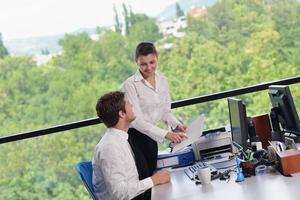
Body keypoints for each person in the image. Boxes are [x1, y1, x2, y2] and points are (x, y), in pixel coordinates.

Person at [121, 42, 187, 175]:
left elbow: (165, 111)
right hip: (135, 138)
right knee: (143, 176)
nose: (149, 68)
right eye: (143, 64)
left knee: (151, 172)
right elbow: (136, 121)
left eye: (152, 62)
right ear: (136, 62)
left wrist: (177, 124)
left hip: (152, 136)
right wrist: (167, 134)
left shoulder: (163, 81)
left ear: (157, 58)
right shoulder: (130, 85)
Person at [92, 91, 170, 200]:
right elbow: (119, 193)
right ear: (121, 113)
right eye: (128, 104)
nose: (132, 105)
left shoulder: (121, 138)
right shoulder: (110, 147)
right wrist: (154, 180)